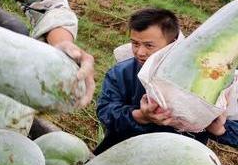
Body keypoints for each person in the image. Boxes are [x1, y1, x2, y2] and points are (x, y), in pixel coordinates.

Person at [95, 8, 238, 154]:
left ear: (173, 43)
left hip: (178, 162)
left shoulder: (210, 79)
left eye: (148, 45)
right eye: (135, 44)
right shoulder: (121, 73)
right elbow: (105, 111)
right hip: (121, 155)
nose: (139, 52)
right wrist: (140, 116)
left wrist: (220, 130)